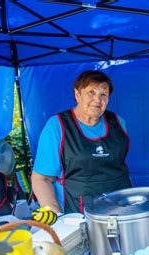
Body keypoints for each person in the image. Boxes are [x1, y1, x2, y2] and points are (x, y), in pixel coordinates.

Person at [31, 70, 131, 214]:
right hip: (76, 215)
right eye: (91, 92)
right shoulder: (57, 125)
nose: (97, 100)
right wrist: (57, 217)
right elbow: (42, 179)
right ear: (77, 95)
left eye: (103, 94)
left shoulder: (118, 122)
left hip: (121, 208)